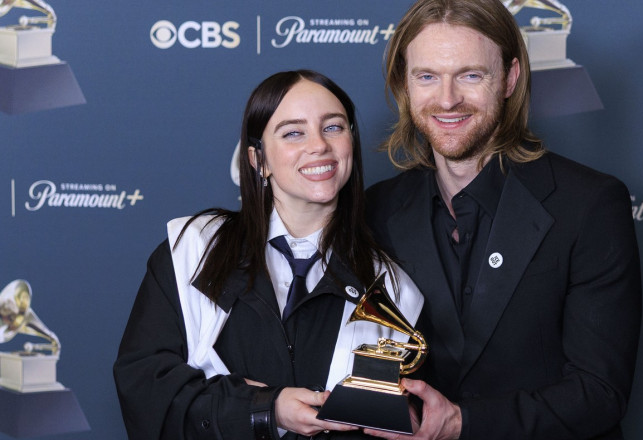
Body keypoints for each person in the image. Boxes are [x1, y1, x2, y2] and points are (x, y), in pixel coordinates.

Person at [364, 0, 642, 439]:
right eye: (427, 77)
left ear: (510, 78)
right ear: (405, 83)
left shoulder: (590, 204)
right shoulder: (374, 210)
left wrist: (462, 422)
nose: (447, 98)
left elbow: (600, 391)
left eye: (471, 75)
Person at [114, 70, 424, 440]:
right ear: (258, 159)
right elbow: (145, 387)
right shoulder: (192, 251)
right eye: (293, 132)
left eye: (333, 127)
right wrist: (266, 408)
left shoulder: (391, 287)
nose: (319, 146)